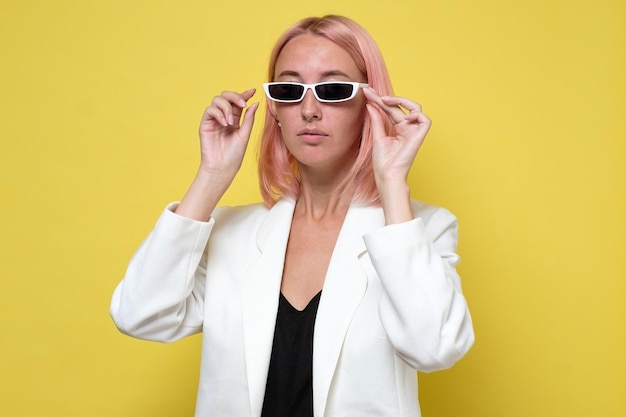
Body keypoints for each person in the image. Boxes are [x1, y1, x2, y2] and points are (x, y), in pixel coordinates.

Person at [110, 14, 474, 417]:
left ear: (371, 103)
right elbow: (139, 315)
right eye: (289, 89)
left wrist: (391, 183)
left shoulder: (419, 230)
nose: (310, 109)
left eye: (333, 89)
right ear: (275, 109)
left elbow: (435, 347)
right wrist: (211, 177)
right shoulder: (233, 234)